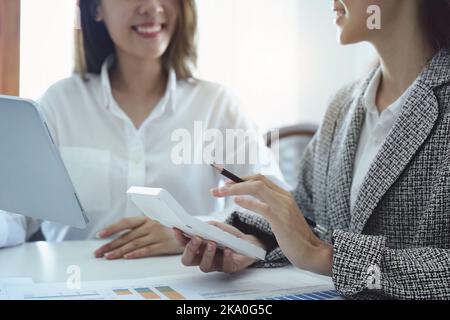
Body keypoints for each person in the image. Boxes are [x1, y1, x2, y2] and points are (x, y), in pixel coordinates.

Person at [174, 0, 450, 299]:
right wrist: (253, 244)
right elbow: (309, 216)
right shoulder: (343, 105)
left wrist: (327, 256)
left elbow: (319, 247)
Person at [0, 0, 285, 259]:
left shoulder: (217, 105)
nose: (151, 6)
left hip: (188, 285)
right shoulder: (60, 103)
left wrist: (192, 230)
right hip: (78, 283)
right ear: (96, 9)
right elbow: (14, 213)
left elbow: (272, 204)